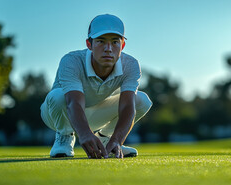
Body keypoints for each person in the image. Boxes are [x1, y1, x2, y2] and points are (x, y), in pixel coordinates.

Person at [40, 14, 152, 159]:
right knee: (58, 96)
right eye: (100, 41)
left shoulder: (130, 65)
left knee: (142, 100)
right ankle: (65, 136)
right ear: (89, 44)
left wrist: (117, 139)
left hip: (95, 114)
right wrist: (84, 134)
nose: (108, 48)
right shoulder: (71, 61)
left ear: (122, 45)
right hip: (58, 114)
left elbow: (127, 107)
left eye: (115, 42)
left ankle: (106, 139)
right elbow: (73, 102)